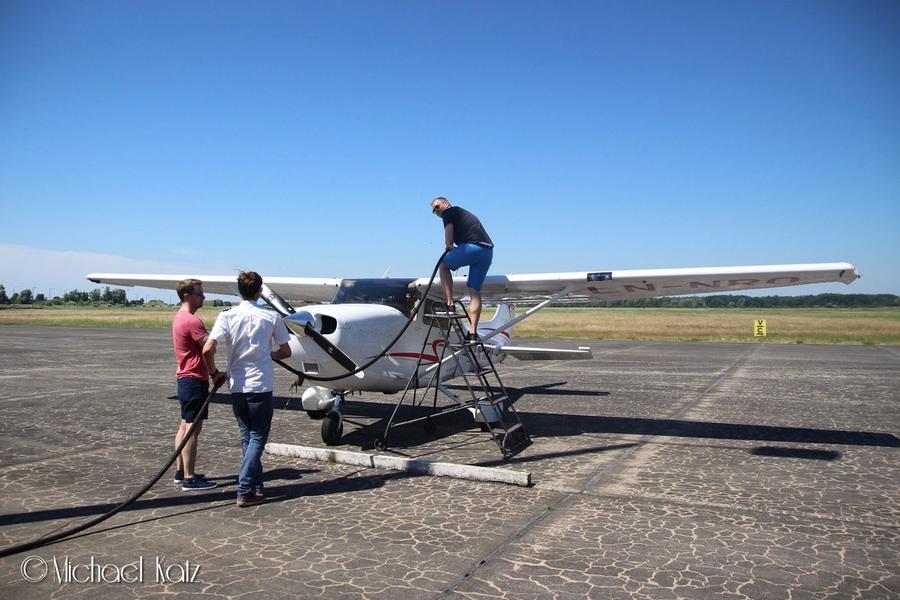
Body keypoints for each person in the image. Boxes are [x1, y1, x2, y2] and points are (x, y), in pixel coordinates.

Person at [202, 271, 292, 508]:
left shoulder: (227, 316)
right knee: (258, 436)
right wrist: (268, 354)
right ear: (259, 291)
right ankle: (244, 488)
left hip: (237, 385)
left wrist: (214, 373)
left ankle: (257, 487)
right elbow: (286, 352)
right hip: (260, 384)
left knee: (247, 436)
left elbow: (207, 349)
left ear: (239, 291)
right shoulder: (271, 316)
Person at [172, 278, 218, 491]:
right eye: (199, 294)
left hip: (184, 378)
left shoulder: (180, 318)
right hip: (194, 380)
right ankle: (190, 478)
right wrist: (215, 373)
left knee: (184, 425)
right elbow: (208, 348)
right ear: (187, 296)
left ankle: (181, 471)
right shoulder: (192, 321)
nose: (203, 297)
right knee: (193, 428)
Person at [431, 196, 494, 342]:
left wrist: (448, 245)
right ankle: (472, 333)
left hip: (473, 248)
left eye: (437, 207)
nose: (436, 211)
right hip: (487, 252)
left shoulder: (450, 212)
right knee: (474, 290)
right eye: (434, 211)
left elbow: (449, 229)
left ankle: (450, 304)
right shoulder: (461, 213)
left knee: (443, 265)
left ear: (446, 204)